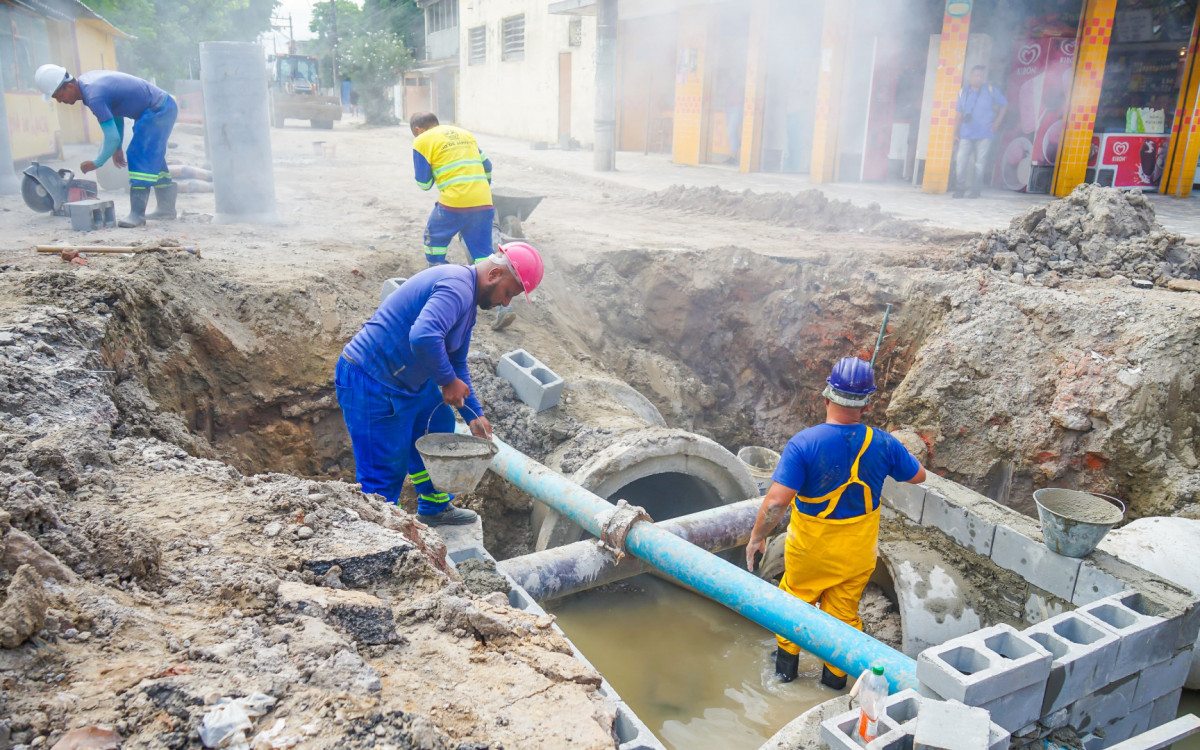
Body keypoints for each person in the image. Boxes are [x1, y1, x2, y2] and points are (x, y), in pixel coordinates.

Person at [746, 357, 927, 689]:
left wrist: (758, 536)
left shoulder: (804, 444)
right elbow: (918, 475)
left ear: (826, 396)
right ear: (867, 404)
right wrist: (896, 449)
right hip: (857, 554)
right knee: (843, 617)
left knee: (794, 608)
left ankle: (786, 674)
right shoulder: (884, 443)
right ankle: (833, 684)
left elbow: (774, 502)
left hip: (810, 553)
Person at [335, 242, 544, 526]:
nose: (506, 303)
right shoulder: (456, 286)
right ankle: (382, 536)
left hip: (409, 382)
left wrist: (474, 414)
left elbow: (457, 362)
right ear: (494, 274)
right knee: (384, 471)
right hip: (372, 381)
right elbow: (423, 336)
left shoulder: (468, 300)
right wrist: (447, 382)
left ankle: (434, 508)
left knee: (438, 428)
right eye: (509, 293)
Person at [35, 64, 178, 227]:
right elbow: (116, 113)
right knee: (152, 155)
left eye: (59, 95)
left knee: (139, 153)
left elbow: (110, 137)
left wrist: (96, 162)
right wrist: (117, 148)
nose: (60, 101)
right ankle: (166, 209)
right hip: (161, 107)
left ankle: (137, 215)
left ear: (69, 86)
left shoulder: (94, 95)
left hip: (158, 109)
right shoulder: (88, 85)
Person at [410, 112, 515, 330]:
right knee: (484, 257)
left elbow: (423, 184)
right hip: (484, 202)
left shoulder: (421, 140)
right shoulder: (464, 133)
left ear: (418, 130)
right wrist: (480, 189)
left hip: (453, 203)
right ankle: (504, 308)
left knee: (433, 240)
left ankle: (440, 288)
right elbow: (488, 166)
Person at [953, 65, 1007, 199]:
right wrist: (955, 132)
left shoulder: (990, 90)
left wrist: (996, 123)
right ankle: (960, 189)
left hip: (985, 134)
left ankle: (975, 191)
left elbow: (1004, 105)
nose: (979, 78)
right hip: (966, 133)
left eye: (981, 75)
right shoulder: (963, 92)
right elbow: (959, 114)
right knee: (961, 162)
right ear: (970, 77)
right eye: (976, 75)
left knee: (979, 163)